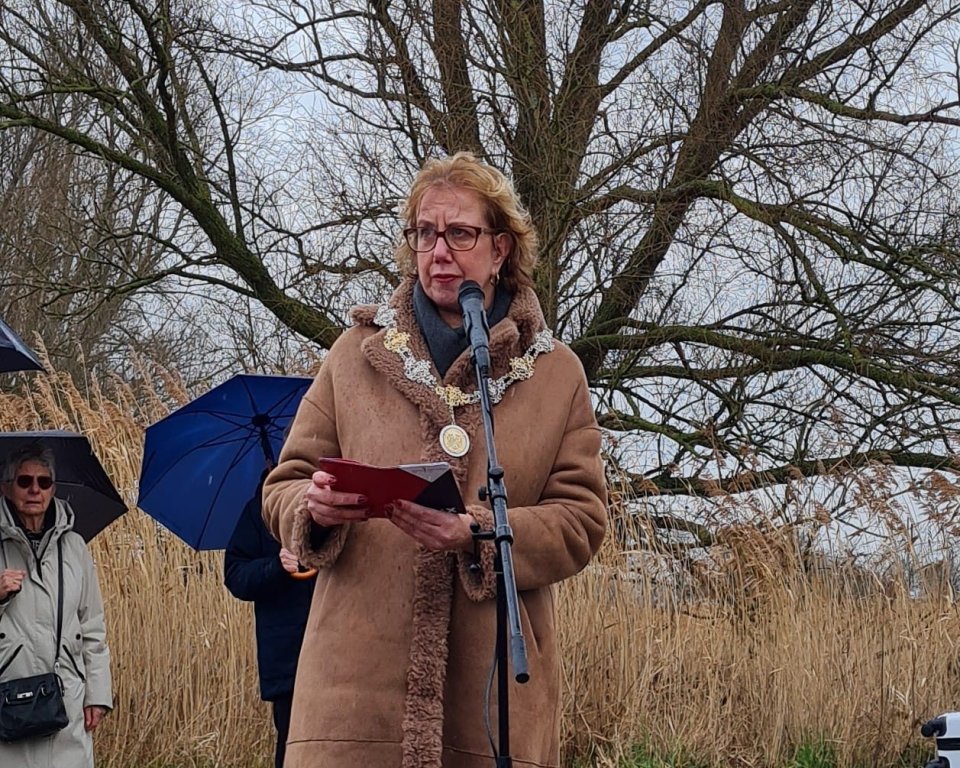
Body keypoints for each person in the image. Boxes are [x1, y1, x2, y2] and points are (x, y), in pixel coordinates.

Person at [262, 151, 608, 768]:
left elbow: (581, 520)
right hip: (352, 698)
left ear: (500, 248)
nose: (438, 251)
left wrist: (479, 531)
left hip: (492, 698)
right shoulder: (354, 355)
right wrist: (313, 508)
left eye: (459, 234)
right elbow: (284, 483)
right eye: (424, 233)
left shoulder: (556, 374)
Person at [0, 444, 112, 767]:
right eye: (24, 481)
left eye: (44, 481)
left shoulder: (75, 546)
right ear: (6, 487)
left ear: (53, 489)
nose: (35, 489)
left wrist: (97, 695)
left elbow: (92, 626)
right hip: (7, 702)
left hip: (68, 701)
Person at [224, 468, 315, 768]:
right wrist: (276, 566)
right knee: (292, 748)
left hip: (341, 654)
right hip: (287, 661)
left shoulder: (339, 502)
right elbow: (236, 575)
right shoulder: (259, 510)